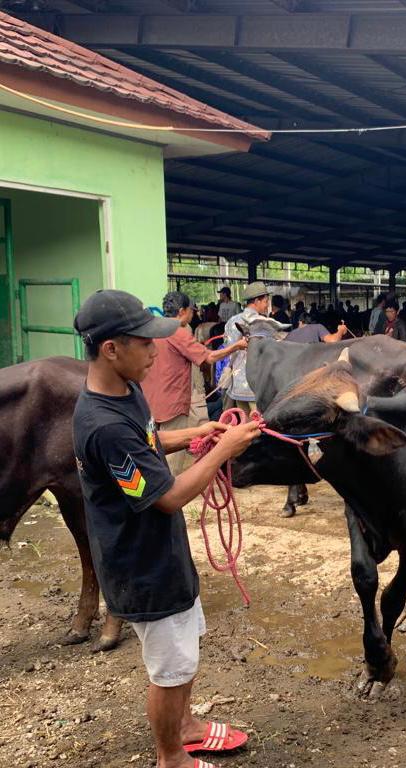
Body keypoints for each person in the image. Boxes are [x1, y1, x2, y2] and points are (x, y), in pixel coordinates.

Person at [72, 289, 261, 768]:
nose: (156, 352)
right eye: (146, 344)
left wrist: (197, 433)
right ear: (111, 348)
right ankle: (171, 756)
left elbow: (150, 439)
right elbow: (167, 496)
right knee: (169, 669)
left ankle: (188, 725)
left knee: (186, 648)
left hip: (164, 552)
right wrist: (224, 450)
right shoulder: (102, 427)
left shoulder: (126, 392)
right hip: (141, 565)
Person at [141, 292, 247, 474]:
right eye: (192, 310)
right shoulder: (177, 331)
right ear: (182, 311)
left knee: (152, 449)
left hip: (149, 405)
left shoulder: (152, 328)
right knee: (172, 461)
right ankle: (169, 497)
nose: (194, 315)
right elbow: (210, 357)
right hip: (172, 406)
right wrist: (236, 346)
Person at [223, 281, 270, 414]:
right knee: (259, 425)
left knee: (244, 424)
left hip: (237, 385)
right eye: (266, 302)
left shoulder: (231, 321)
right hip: (256, 385)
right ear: (257, 301)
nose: (267, 306)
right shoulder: (262, 322)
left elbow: (227, 349)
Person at [284, 312, 348, 343]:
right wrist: (341, 330)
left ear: (300, 322)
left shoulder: (290, 334)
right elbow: (333, 341)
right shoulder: (317, 327)